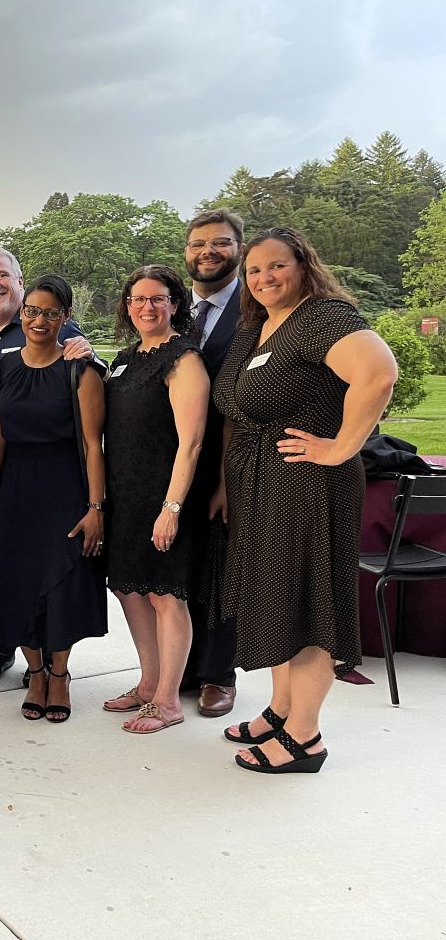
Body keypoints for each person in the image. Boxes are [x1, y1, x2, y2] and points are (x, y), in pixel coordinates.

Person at [214, 227, 395, 774]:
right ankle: (282, 710)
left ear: (303, 265)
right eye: (253, 270)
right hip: (262, 482)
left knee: (305, 603)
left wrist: (341, 447)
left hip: (307, 484)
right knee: (276, 600)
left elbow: (378, 373)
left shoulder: (321, 316)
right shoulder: (258, 326)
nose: (264, 277)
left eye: (277, 266)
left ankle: (305, 738)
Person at [0, 247, 95, 684]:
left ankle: (50, 661)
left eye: (2, 276)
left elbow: (87, 377)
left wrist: (89, 350)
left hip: (47, 469)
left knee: (45, 564)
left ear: (19, 282)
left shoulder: (55, 329)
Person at [0, 275, 107, 724]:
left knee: (61, 584)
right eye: (32, 311)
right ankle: (35, 672)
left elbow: (93, 444)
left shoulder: (81, 371)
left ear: (65, 318)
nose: (39, 320)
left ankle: (60, 674)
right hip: (16, 488)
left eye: (51, 313)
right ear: (22, 312)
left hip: (65, 487)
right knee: (19, 582)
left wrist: (95, 507)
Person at [101, 266, 209, 734]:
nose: (147, 307)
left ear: (175, 304)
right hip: (124, 495)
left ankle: (168, 700)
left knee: (165, 595)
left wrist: (172, 508)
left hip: (165, 496)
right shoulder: (126, 358)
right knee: (129, 588)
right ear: (127, 306)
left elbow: (192, 443)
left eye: (157, 298)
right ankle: (148, 683)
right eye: (138, 299)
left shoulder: (184, 359)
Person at [176, 209, 247, 717]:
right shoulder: (176, 308)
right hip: (178, 459)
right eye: (198, 243)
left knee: (220, 566)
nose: (208, 252)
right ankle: (182, 666)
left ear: (239, 248)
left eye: (220, 243)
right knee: (182, 564)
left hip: (231, 459)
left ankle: (218, 674)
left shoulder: (256, 309)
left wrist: (224, 478)